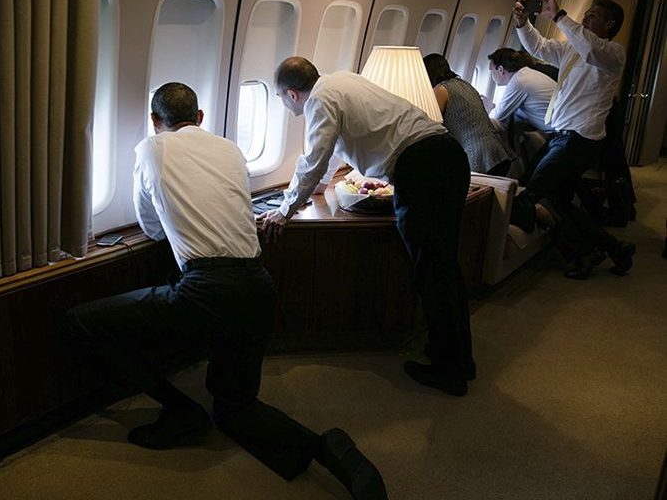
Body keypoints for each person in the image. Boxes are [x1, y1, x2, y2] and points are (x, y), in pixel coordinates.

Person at [62, 82, 388, 500]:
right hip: (257, 286)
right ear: (200, 118)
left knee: (79, 325)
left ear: (155, 122)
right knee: (236, 409)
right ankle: (330, 448)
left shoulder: (150, 149)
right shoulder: (231, 149)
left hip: (207, 290)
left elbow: (151, 228)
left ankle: (180, 412)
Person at [259, 57, 475, 397]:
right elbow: (329, 154)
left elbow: (314, 157)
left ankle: (448, 371)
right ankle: (460, 359)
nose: (284, 106)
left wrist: (284, 211)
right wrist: (317, 187)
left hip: (421, 170)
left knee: (432, 272)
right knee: (444, 268)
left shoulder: (319, 100)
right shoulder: (341, 80)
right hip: (447, 157)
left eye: (281, 99)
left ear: (291, 94)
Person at [510, 0, 635, 279]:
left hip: (579, 139)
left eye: (595, 16)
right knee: (560, 200)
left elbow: (591, 49)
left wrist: (559, 16)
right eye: (587, 13)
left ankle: (582, 252)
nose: (587, 17)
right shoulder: (572, 48)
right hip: (563, 136)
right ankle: (615, 249)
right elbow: (539, 47)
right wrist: (522, 23)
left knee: (535, 192)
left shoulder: (612, 54)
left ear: (609, 26)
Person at [423, 53, 516, 177]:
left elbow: (431, 126)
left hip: (480, 158)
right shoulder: (465, 84)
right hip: (498, 152)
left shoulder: (440, 90)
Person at [487, 47, 555, 135]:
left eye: (491, 70)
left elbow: (495, 118)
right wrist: (495, 107)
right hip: (567, 129)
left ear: (500, 70)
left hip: (567, 133)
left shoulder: (518, 81)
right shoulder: (525, 74)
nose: (491, 75)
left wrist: (488, 110)